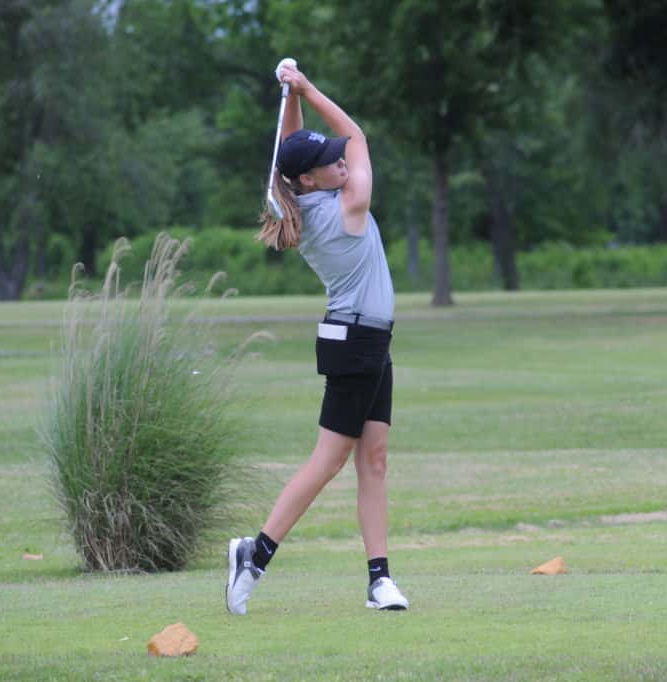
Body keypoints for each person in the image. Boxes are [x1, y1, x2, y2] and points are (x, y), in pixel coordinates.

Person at [225, 60, 409, 614]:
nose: (340, 160)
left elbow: (293, 149)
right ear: (309, 179)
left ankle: (379, 581)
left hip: (366, 342)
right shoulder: (348, 208)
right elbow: (358, 137)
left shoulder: (302, 199)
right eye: (329, 161)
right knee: (328, 461)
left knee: (373, 459)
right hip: (356, 344)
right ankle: (254, 555)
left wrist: (292, 97)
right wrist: (306, 87)